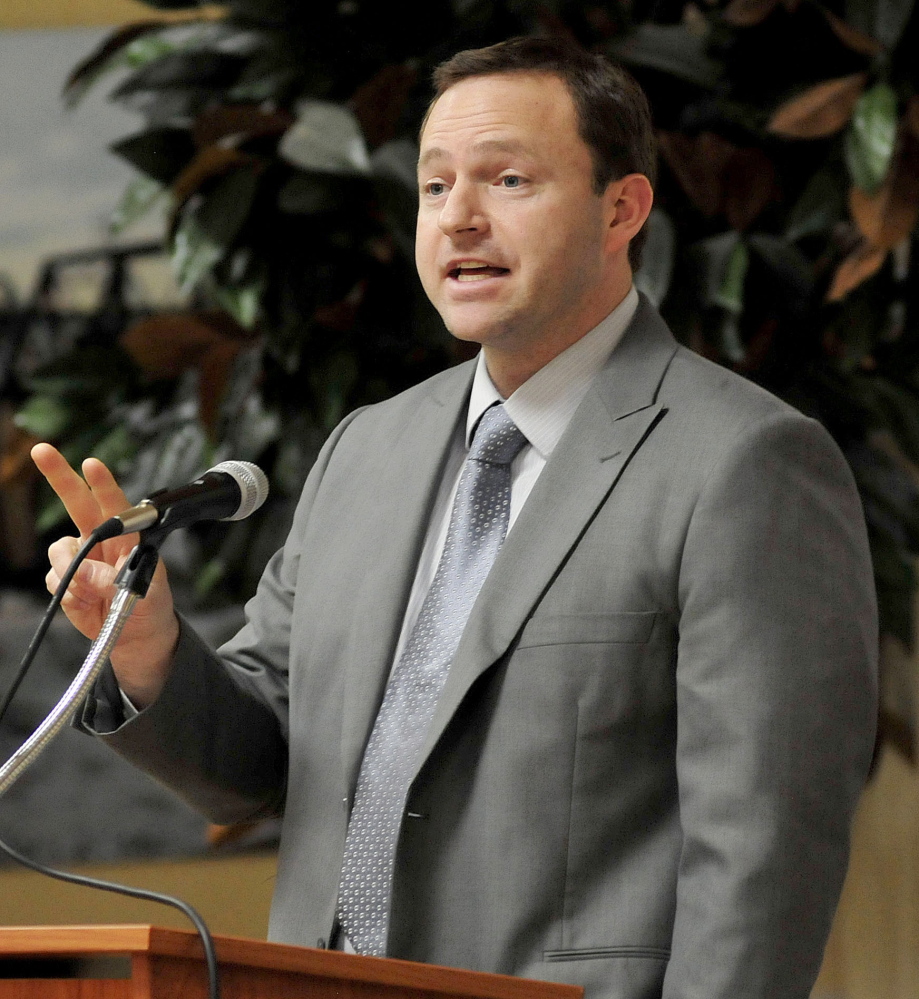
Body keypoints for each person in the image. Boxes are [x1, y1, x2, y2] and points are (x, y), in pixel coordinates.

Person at [33, 36, 877, 999]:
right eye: (435, 188)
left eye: (507, 179)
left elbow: (766, 850)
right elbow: (261, 764)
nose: (460, 219)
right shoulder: (366, 449)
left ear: (622, 208)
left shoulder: (744, 462)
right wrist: (147, 650)